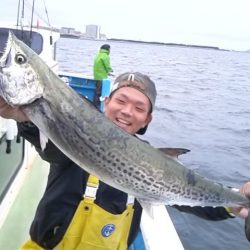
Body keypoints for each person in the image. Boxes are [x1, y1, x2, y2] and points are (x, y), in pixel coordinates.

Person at [0, 72, 250, 250]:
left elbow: (188, 197)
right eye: (121, 101)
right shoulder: (75, 134)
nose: (127, 111)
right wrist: (24, 119)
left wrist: (235, 201)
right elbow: (50, 149)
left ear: (147, 120)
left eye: (139, 108)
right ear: (106, 102)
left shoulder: (154, 161)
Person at [93, 44, 113, 108]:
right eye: (110, 49)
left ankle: (95, 104)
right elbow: (107, 65)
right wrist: (110, 70)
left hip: (97, 75)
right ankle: (96, 105)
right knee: (99, 92)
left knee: (97, 90)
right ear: (108, 49)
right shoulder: (105, 56)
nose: (110, 51)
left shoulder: (99, 55)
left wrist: (107, 73)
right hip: (101, 76)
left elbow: (100, 66)